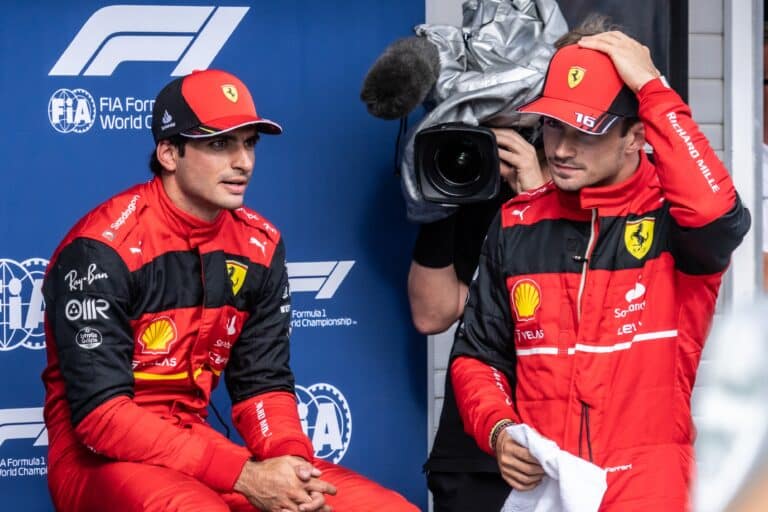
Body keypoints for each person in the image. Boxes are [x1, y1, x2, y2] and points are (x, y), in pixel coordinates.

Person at [41, 69, 418, 512]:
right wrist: (243, 474)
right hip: (99, 460)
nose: (244, 162)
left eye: (249, 143)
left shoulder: (259, 244)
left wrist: (291, 465)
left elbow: (263, 383)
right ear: (168, 152)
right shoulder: (101, 248)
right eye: (219, 144)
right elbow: (103, 418)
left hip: (197, 449)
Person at [449, 17, 751, 512]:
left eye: (584, 131)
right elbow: (477, 356)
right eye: (552, 125)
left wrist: (653, 89)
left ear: (636, 135)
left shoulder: (673, 216)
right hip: (547, 481)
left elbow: (719, 215)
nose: (561, 149)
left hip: (649, 481)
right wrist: (499, 430)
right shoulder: (516, 221)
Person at [411, 128, 550, 512]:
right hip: (474, 452)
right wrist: (441, 204)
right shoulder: (486, 178)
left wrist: (536, 201)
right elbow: (432, 313)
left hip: (566, 451)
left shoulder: (621, 196)